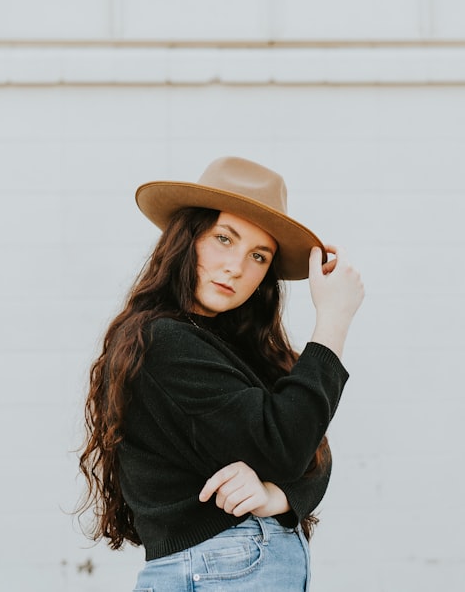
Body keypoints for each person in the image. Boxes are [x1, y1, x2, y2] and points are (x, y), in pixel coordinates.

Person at [77, 156, 364, 591]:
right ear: (187, 238)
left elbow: (311, 447)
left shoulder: (232, 348)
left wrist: (276, 496)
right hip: (222, 567)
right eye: (224, 239)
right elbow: (286, 445)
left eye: (258, 256)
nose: (237, 267)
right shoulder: (164, 341)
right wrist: (333, 323)